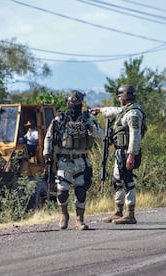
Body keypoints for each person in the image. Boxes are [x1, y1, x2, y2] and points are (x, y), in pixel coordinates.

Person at [43, 90, 103, 230]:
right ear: (67, 103)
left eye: (77, 102)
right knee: (62, 193)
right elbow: (49, 137)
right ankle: (64, 215)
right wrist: (47, 153)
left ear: (81, 103)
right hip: (64, 161)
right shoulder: (60, 120)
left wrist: (90, 128)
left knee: (81, 192)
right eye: (72, 102)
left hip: (82, 161)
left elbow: (101, 135)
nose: (74, 104)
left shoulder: (88, 119)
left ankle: (79, 219)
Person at [90, 84, 145, 224]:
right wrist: (100, 110)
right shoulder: (126, 111)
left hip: (127, 151)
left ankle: (130, 214)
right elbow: (114, 110)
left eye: (120, 97)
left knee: (127, 180)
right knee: (117, 180)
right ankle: (118, 211)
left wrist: (131, 155)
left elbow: (135, 135)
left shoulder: (133, 114)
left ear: (124, 98)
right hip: (120, 151)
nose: (119, 99)